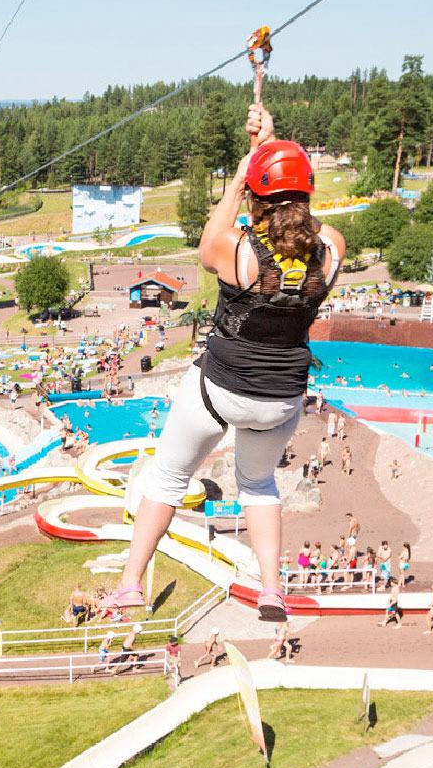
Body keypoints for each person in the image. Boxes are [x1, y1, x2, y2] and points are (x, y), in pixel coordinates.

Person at [99, 105, 344, 623]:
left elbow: (211, 235)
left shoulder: (237, 250)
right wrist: (270, 152)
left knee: (166, 479)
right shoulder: (331, 250)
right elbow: (305, 228)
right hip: (282, 398)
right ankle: (272, 588)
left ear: (256, 196)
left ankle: (129, 584)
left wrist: (244, 170)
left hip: (222, 388)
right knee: (258, 485)